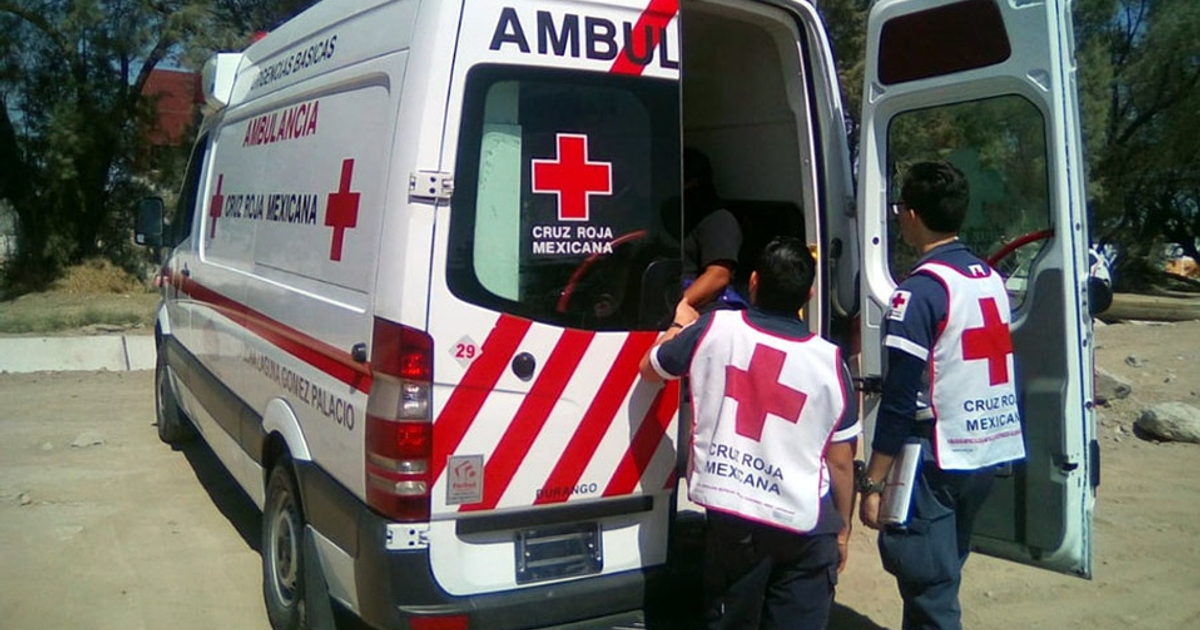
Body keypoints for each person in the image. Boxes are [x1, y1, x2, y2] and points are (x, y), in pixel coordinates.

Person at [640, 236, 859, 630]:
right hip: (808, 526)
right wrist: (842, 530)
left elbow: (652, 367)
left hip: (737, 522)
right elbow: (841, 462)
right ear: (809, 294)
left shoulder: (715, 329)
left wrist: (679, 321)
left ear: (753, 282)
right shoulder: (831, 362)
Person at [858, 161, 1026, 630]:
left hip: (937, 458)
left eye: (899, 211)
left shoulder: (919, 293)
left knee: (929, 588)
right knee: (943, 568)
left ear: (911, 215)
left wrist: (873, 482)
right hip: (987, 449)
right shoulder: (989, 279)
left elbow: (897, 399)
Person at [681, 147, 746, 311]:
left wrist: (677, 310)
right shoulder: (676, 217)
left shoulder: (718, 219)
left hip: (697, 315)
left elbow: (717, 276)